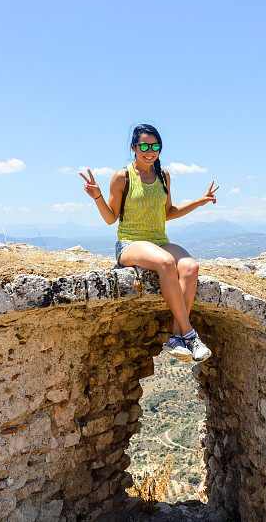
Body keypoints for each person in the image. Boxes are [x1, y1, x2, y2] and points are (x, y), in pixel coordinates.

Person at [79, 124, 219, 363]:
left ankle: (177, 338)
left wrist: (199, 202)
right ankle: (190, 334)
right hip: (130, 243)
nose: (150, 150)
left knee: (190, 267)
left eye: (155, 146)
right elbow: (111, 218)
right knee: (166, 263)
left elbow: (168, 212)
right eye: (144, 145)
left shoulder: (163, 176)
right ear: (134, 147)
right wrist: (98, 197)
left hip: (159, 241)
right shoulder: (122, 177)